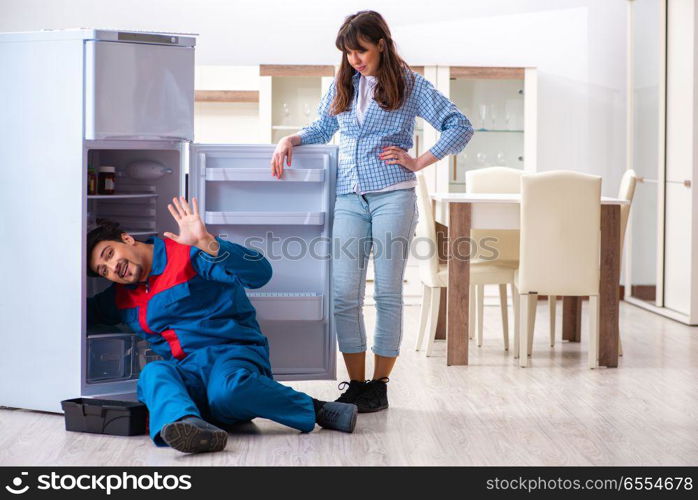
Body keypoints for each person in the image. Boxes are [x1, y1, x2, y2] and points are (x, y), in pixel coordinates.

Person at [271, 10, 473, 412]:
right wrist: (289, 139)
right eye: (348, 53)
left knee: (386, 291)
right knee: (344, 294)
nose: (355, 60)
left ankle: (378, 386)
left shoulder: (411, 85)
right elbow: (322, 129)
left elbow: (459, 125)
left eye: (360, 50)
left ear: (381, 43)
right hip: (348, 197)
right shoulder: (343, 84)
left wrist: (419, 160)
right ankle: (357, 383)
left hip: (392, 196)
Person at [86, 196, 358, 454]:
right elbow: (80, 313)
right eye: (103, 270)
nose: (112, 268)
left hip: (234, 355)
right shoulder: (120, 298)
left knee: (228, 391)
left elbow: (261, 273)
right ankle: (189, 426)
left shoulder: (186, 253)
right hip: (187, 371)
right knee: (154, 373)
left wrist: (206, 241)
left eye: (109, 254)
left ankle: (318, 409)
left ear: (126, 239)